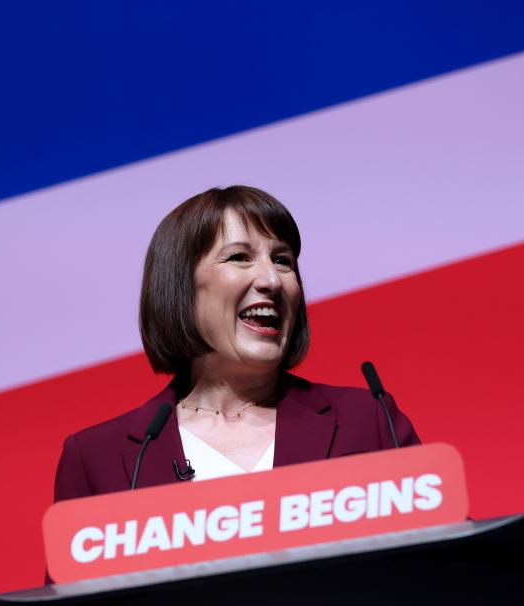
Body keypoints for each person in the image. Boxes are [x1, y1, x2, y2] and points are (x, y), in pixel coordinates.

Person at [54, 186, 420, 501]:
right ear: (180, 286)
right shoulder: (98, 458)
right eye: (240, 257)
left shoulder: (368, 421)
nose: (272, 280)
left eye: (283, 260)